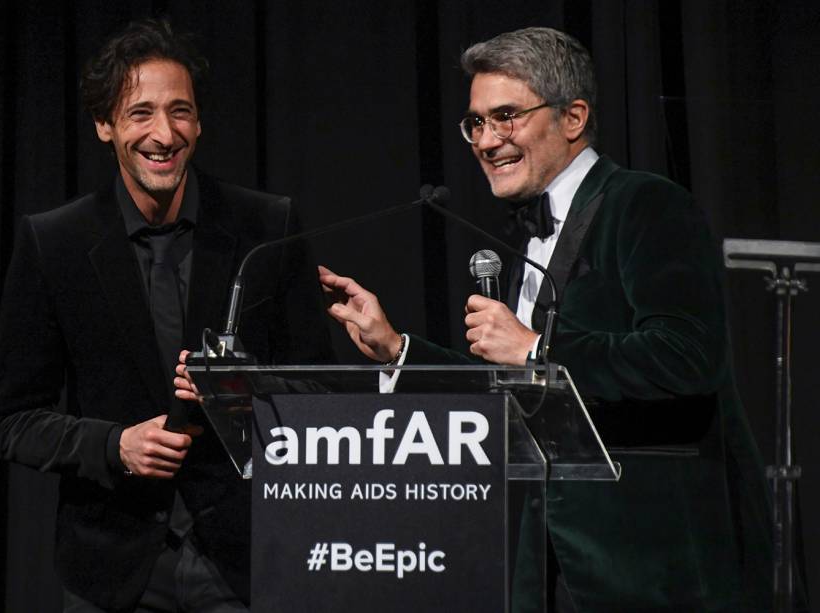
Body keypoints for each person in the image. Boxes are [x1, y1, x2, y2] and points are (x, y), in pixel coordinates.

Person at [317, 28, 772, 613]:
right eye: (476, 123)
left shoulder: (646, 204)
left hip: (650, 567)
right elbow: (511, 394)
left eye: (506, 116)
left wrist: (537, 347)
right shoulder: (526, 239)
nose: (486, 140)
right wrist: (397, 348)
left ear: (573, 117)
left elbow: (687, 358)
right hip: (547, 565)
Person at [0, 19, 329, 613]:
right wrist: (115, 444)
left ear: (199, 121)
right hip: (113, 570)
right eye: (140, 113)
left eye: (180, 112)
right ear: (104, 125)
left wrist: (243, 393)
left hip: (243, 562)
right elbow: (11, 420)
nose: (164, 134)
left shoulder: (266, 226)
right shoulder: (55, 242)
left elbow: (320, 390)